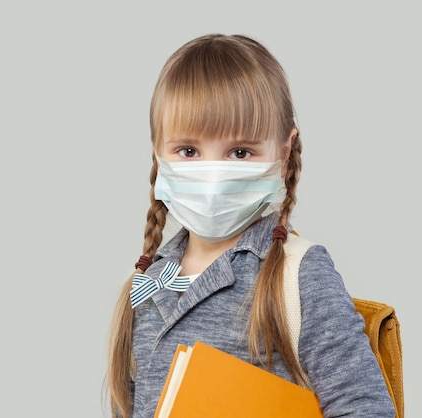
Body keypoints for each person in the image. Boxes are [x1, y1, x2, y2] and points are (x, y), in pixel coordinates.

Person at [106, 34, 395, 418]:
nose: (213, 175)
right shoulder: (144, 285)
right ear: (158, 153)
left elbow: (366, 408)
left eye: (240, 152)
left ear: (284, 150)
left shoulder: (298, 275)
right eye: (188, 151)